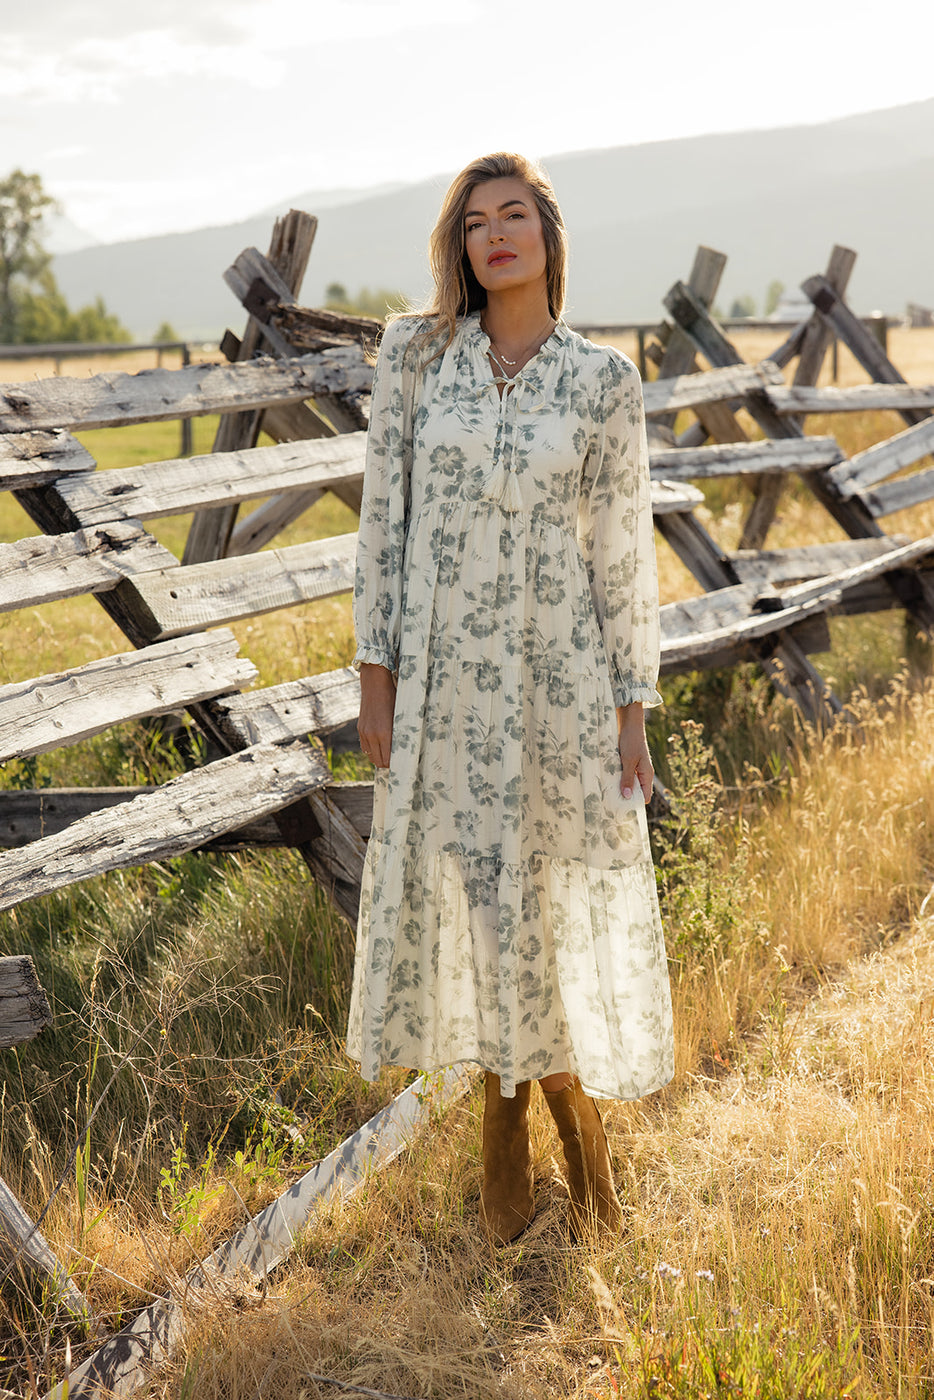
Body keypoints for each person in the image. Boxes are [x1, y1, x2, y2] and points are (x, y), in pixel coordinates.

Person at [347, 152, 673, 1242]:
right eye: (476, 219)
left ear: (546, 234)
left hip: (560, 676)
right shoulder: (415, 356)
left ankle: (571, 1137)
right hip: (443, 677)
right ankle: (510, 1132)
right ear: (461, 245)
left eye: (515, 214)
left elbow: (623, 553)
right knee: (478, 901)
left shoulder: (601, 380)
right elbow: (381, 525)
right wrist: (375, 672)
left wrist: (631, 705)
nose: (496, 233)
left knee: (544, 905)